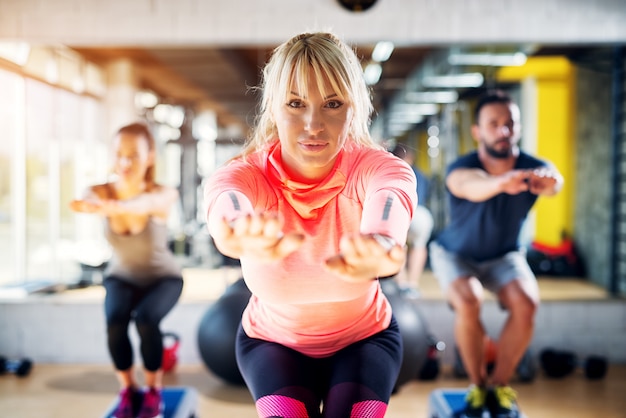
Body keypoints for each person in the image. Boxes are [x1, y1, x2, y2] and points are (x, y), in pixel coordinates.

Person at [204, 32, 417, 418]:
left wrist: (383, 243)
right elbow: (227, 204)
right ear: (273, 106)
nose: (313, 124)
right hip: (271, 344)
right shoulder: (245, 175)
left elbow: (390, 203)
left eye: (332, 104)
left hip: (365, 341)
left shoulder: (378, 169)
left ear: (356, 107)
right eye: (296, 104)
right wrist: (237, 230)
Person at [429, 90, 563, 418]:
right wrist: (503, 182)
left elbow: (555, 181)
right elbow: (469, 186)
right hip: (455, 254)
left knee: (527, 302)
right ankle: (477, 387)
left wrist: (547, 182)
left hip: (505, 256)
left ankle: (499, 387)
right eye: (494, 124)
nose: (504, 130)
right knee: (469, 298)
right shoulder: (463, 166)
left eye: (510, 124)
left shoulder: (533, 167)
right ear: (477, 131)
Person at [70, 122, 183, 418]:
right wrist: (95, 203)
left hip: (163, 278)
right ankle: (128, 390)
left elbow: (148, 202)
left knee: (146, 320)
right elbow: (87, 194)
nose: (125, 162)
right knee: (115, 320)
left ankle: (154, 392)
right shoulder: (103, 190)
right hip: (121, 276)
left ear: (150, 157)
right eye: (119, 154)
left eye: (134, 155)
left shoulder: (162, 193)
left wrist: (116, 208)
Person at [390, 143, 434, 298]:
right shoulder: (421, 174)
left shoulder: (391, 171)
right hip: (421, 213)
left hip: (401, 212)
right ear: (410, 157)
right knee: (419, 246)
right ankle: (413, 285)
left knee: (398, 246)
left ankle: (401, 284)